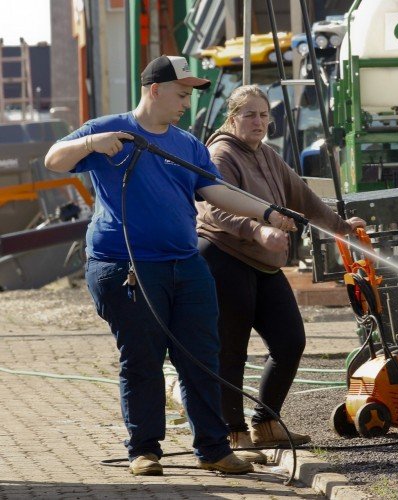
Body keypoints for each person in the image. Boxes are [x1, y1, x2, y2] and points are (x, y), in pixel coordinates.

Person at [44, 56, 292, 476]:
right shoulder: (109, 130)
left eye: (190, 96)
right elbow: (53, 159)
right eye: (181, 94)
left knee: (201, 357)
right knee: (142, 358)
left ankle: (213, 449)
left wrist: (267, 214)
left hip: (186, 264)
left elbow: (216, 190)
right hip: (125, 266)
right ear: (155, 90)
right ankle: (144, 450)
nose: (186, 104)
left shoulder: (189, 144)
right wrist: (90, 144)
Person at [196, 85, 365, 463]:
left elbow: (302, 196)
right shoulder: (220, 154)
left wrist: (340, 226)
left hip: (264, 262)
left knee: (290, 340)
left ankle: (266, 423)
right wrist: (257, 229)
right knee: (231, 350)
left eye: (263, 115)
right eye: (249, 115)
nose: (258, 122)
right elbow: (213, 210)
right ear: (233, 117)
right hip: (224, 256)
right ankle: (234, 433)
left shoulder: (268, 155)